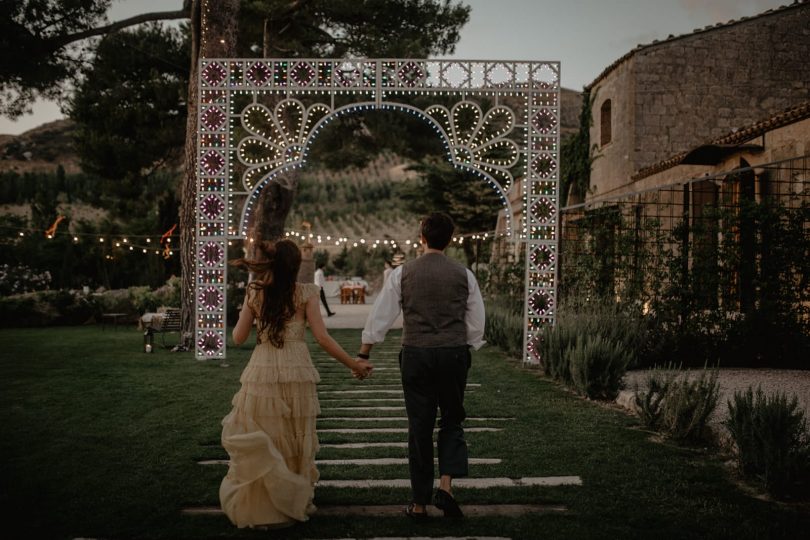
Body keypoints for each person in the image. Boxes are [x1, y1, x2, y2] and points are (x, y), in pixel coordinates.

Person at [220, 239, 373, 529]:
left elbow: (238, 338)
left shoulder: (255, 292)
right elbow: (322, 339)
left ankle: (268, 498)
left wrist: (251, 313)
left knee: (266, 429)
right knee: (291, 433)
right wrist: (354, 364)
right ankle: (289, 499)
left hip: (263, 366)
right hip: (297, 367)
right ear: (295, 267)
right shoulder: (306, 293)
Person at [359, 213, 485, 519]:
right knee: (452, 420)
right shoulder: (464, 274)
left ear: (422, 239)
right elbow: (476, 325)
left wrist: (364, 352)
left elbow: (381, 316)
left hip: (416, 354)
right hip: (453, 354)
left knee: (419, 427)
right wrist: (459, 342)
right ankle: (446, 488)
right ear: (451, 240)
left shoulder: (402, 274)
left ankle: (418, 503)